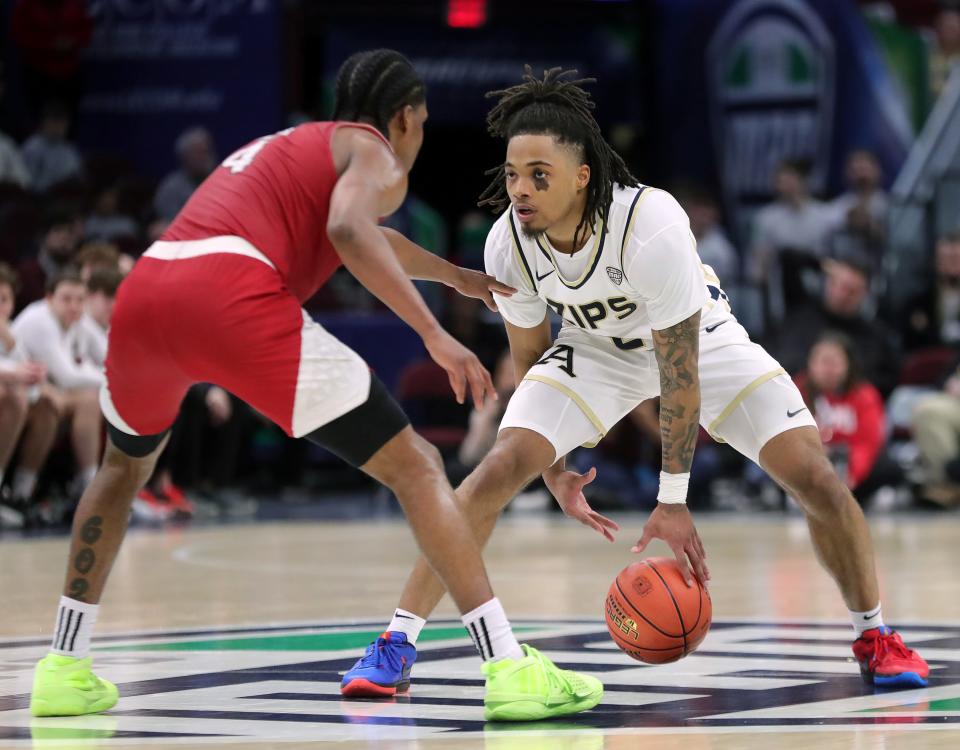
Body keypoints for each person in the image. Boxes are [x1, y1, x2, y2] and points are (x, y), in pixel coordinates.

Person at [28, 49, 602, 723]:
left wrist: (455, 277)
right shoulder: (376, 153)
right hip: (229, 290)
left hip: (149, 290)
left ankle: (64, 666)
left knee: (121, 470)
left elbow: (361, 232)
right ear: (406, 118)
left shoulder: (300, 145)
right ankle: (507, 665)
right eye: (420, 122)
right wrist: (433, 332)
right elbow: (349, 229)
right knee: (419, 466)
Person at [341, 67, 928, 698]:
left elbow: (679, 377)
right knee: (492, 471)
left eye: (540, 175)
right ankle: (395, 644)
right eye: (513, 174)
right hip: (594, 351)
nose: (521, 190)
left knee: (815, 477)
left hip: (701, 341)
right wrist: (554, 466)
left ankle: (875, 635)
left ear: (582, 175)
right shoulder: (508, 244)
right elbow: (535, 356)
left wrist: (672, 500)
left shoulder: (650, 224)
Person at [12, 271, 104, 503]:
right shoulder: (40, 321)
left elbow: (109, 356)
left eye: (80, 300)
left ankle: (90, 487)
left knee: (90, 401)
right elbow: (67, 377)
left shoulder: (78, 320)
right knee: (53, 406)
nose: (74, 306)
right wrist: (116, 381)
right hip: (26, 393)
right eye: (66, 299)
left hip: (45, 392)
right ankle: (21, 492)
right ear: (49, 298)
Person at [768, 255, 900, 397]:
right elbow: (788, 258)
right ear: (827, 282)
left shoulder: (875, 336)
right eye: (838, 285)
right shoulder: (801, 312)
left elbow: (888, 379)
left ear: (865, 293)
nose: (842, 295)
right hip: (790, 397)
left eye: (852, 291)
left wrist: (848, 384)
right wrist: (821, 264)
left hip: (852, 408)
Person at [794, 333, 890, 502]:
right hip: (811, 461)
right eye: (823, 362)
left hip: (850, 463)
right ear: (810, 363)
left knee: (887, 465)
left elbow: (868, 443)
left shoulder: (865, 395)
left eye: (835, 363)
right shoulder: (795, 390)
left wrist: (852, 474)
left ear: (848, 365)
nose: (828, 370)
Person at [153, 127, 217, 221]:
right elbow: (169, 222)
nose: (204, 157)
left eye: (206, 151)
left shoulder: (221, 180)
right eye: (198, 152)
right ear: (184, 157)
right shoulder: (171, 187)